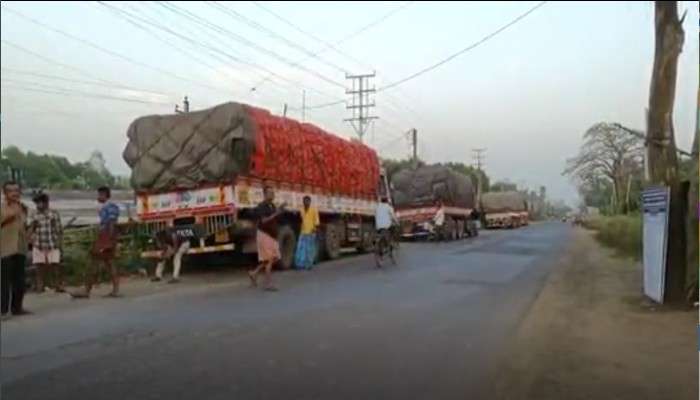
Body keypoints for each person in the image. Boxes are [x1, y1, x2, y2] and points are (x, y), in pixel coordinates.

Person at [71, 186, 121, 299]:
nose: (98, 197)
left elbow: (112, 223)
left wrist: (109, 239)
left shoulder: (110, 206)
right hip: (106, 235)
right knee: (108, 262)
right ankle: (114, 289)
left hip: (106, 235)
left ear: (105, 195)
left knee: (96, 262)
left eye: (100, 194)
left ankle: (87, 289)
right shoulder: (105, 207)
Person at [1, 181, 31, 317]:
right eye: (11, 191)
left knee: (19, 279)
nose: (14, 193)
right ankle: (2, 310)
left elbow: (24, 226)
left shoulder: (24, 208)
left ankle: (17, 308)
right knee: (4, 281)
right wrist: (12, 215)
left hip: (20, 247)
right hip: (5, 248)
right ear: (4, 193)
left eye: (16, 190)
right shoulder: (2, 208)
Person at [248, 187, 286, 291]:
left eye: (273, 192)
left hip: (272, 235)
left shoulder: (272, 206)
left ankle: (254, 273)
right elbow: (264, 221)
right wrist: (276, 213)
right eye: (270, 193)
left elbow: (275, 218)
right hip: (264, 234)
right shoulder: (262, 206)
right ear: (265, 195)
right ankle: (268, 284)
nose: (272, 194)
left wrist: (280, 211)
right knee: (269, 259)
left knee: (273, 257)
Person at [30, 193, 64, 293]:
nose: (38, 205)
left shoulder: (54, 214)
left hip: (52, 243)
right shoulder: (34, 214)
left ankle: (57, 285)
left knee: (55, 265)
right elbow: (31, 229)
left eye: (39, 203)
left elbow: (59, 229)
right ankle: (40, 286)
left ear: (46, 203)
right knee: (39, 266)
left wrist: (60, 242)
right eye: (37, 203)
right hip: (39, 243)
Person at [294, 196, 320, 270]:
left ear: (310, 202)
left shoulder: (314, 210)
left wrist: (315, 230)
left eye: (307, 201)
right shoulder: (301, 210)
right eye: (304, 201)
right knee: (301, 248)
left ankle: (309, 264)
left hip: (311, 231)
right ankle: (300, 264)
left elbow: (317, 222)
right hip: (303, 231)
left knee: (310, 249)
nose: (306, 202)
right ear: (303, 202)